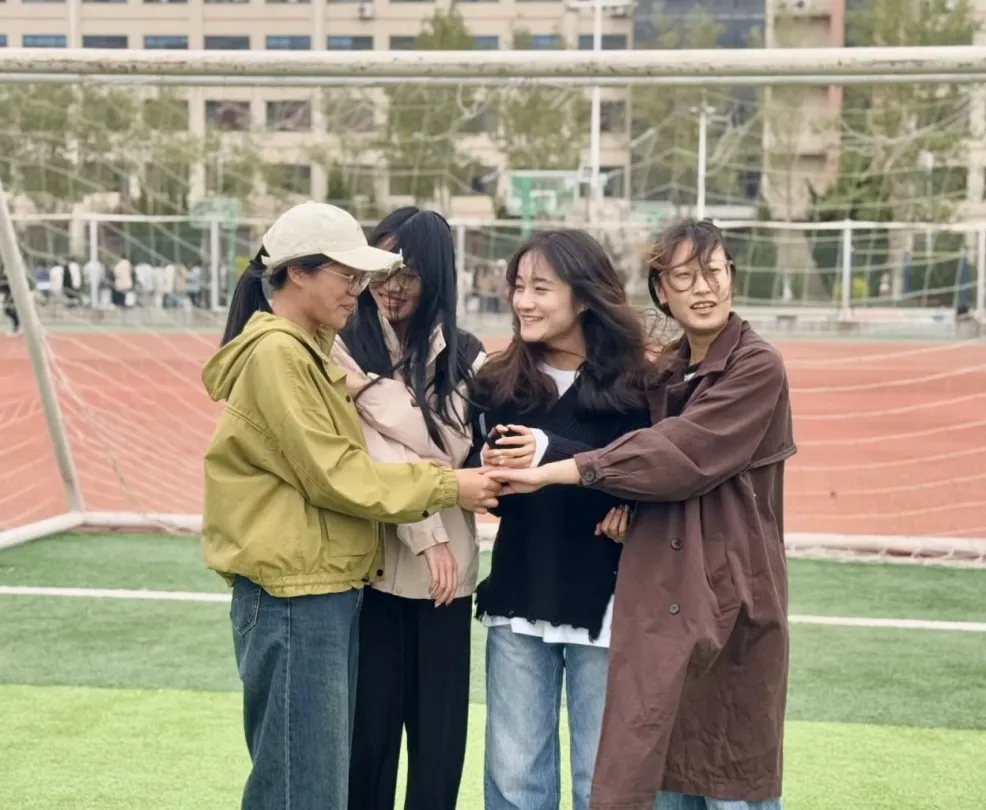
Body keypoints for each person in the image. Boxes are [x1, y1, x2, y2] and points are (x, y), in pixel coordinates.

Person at [200, 201, 502, 810]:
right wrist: (448, 489)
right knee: (304, 783)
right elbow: (339, 474)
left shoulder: (309, 350)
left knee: (317, 777)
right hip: (296, 590)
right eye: (349, 275)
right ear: (298, 271)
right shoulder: (284, 355)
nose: (362, 290)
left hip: (322, 584)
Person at [488, 219, 796, 810]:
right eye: (684, 277)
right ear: (661, 291)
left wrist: (554, 466)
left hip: (730, 591)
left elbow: (678, 454)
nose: (703, 288)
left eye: (714, 272)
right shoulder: (665, 372)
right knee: (665, 775)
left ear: (733, 276)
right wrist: (632, 503)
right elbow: (649, 468)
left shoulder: (756, 365)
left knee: (730, 777)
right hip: (665, 595)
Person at [470, 229, 652, 810]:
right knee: (514, 777)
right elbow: (481, 478)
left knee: (601, 780)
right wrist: (484, 476)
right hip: (520, 590)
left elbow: (649, 472)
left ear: (584, 295)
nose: (523, 301)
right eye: (518, 286)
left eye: (540, 288)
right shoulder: (497, 382)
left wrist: (629, 507)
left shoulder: (641, 387)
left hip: (606, 601)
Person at [331, 207, 486, 810]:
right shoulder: (341, 340)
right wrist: (425, 531)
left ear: (436, 277)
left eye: (409, 274)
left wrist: (369, 392)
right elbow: (364, 454)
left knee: (438, 746)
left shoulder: (466, 354)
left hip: (444, 581)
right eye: (382, 269)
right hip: (367, 566)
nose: (390, 286)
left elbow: (450, 446)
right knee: (366, 745)